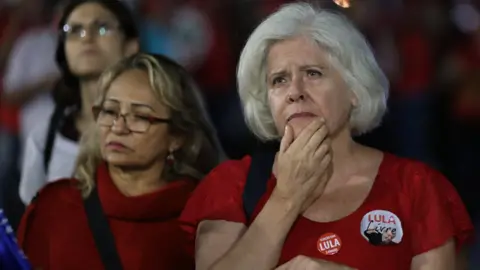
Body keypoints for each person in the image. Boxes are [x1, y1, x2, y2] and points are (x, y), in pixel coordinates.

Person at [179, 3, 474, 270]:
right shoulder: (230, 186)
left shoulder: (417, 187)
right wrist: (285, 199)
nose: (295, 91)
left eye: (313, 73)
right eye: (279, 80)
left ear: (355, 90)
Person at [17, 52, 223, 269]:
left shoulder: (206, 221)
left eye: (141, 117)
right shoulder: (53, 206)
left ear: (176, 138)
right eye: (110, 111)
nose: (118, 127)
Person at [18, 0, 140, 205]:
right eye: (74, 30)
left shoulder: (158, 128)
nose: (87, 38)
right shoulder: (43, 138)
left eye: (102, 27)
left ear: (130, 46)